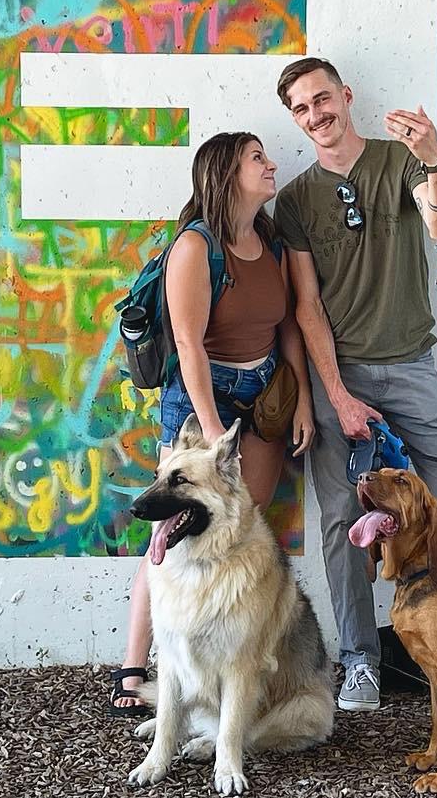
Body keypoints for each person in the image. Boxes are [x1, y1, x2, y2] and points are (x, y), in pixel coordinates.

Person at [271, 57, 437, 713]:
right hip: (345, 376)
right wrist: (337, 395)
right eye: (301, 109)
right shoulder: (296, 200)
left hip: (414, 365)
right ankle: (361, 661)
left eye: (321, 99)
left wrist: (436, 159)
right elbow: (307, 307)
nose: (315, 115)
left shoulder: (399, 160)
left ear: (345, 95)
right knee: (341, 521)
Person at [109, 132, 316, 715]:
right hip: (203, 402)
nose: (271, 164)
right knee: (173, 539)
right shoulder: (196, 248)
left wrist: (299, 398)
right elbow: (188, 344)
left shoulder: (270, 242)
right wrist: (214, 440)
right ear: (226, 174)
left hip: (265, 395)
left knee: (239, 532)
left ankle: (232, 664)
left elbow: (289, 328)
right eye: (258, 157)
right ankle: (135, 666)